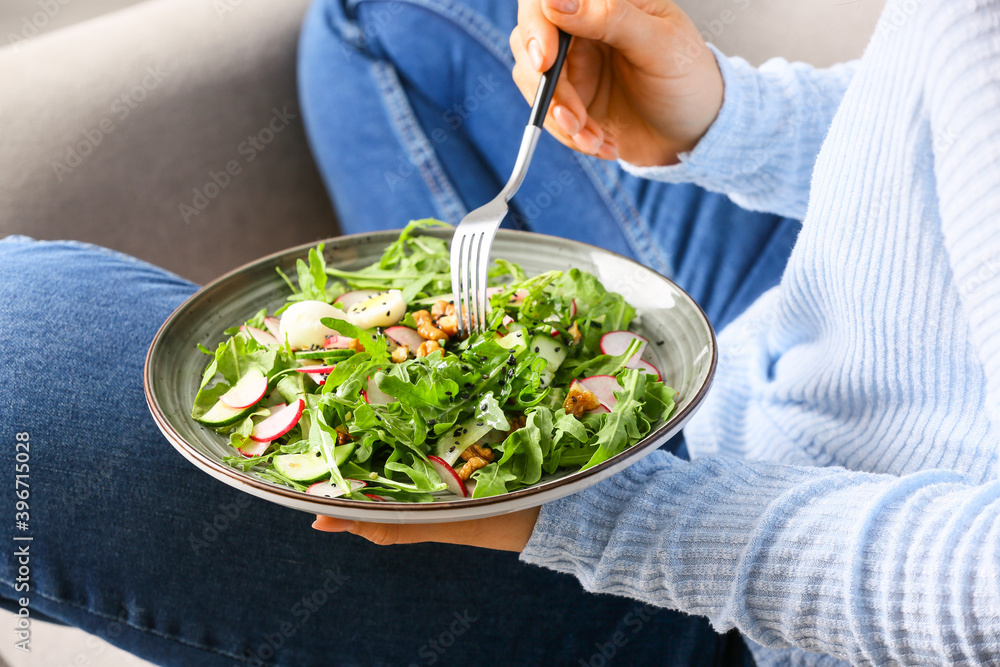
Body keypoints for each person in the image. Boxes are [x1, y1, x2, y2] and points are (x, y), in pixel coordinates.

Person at [0, 0, 996, 665]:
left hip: (808, 600)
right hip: (825, 327)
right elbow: (935, 108)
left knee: (13, 349)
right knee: (388, 12)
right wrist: (723, 122)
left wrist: (577, 516)